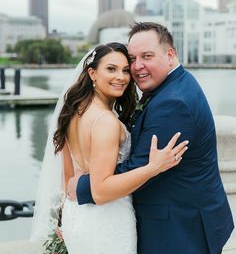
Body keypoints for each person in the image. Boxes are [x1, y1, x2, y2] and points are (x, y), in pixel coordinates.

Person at [72, 23, 234, 254]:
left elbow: (142, 167)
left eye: (146, 56)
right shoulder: (174, 85)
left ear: (170, 54)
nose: (137, 67)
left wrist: (82, 187)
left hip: (178, 229)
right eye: (132, 58)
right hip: (185, 217)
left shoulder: (173, 103)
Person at [31, 42, 188, 254]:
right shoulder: (105, 122)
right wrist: (154, 167)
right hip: (107, 219)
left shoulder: (73, 112)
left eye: (125, 70)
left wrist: (64, 219)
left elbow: (68, 181)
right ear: (92, 73)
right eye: (111, 69)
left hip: (76, 216)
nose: (121, 77)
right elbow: (101, 190)